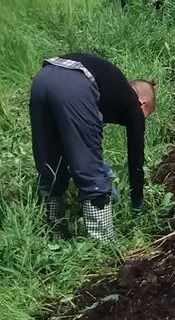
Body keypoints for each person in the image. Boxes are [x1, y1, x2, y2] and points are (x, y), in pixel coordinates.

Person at [29, 53, 157, 241]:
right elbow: (135, 157)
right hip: (74, 84)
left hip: (42, 79)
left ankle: (53, 234)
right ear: (142, 104)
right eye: (146, 114)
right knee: (90, 173)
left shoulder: (110, 89)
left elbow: (77, 138)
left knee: (50, 164)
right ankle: (103, 243)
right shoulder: (133, 105)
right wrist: (137, 200)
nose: (142, 118)